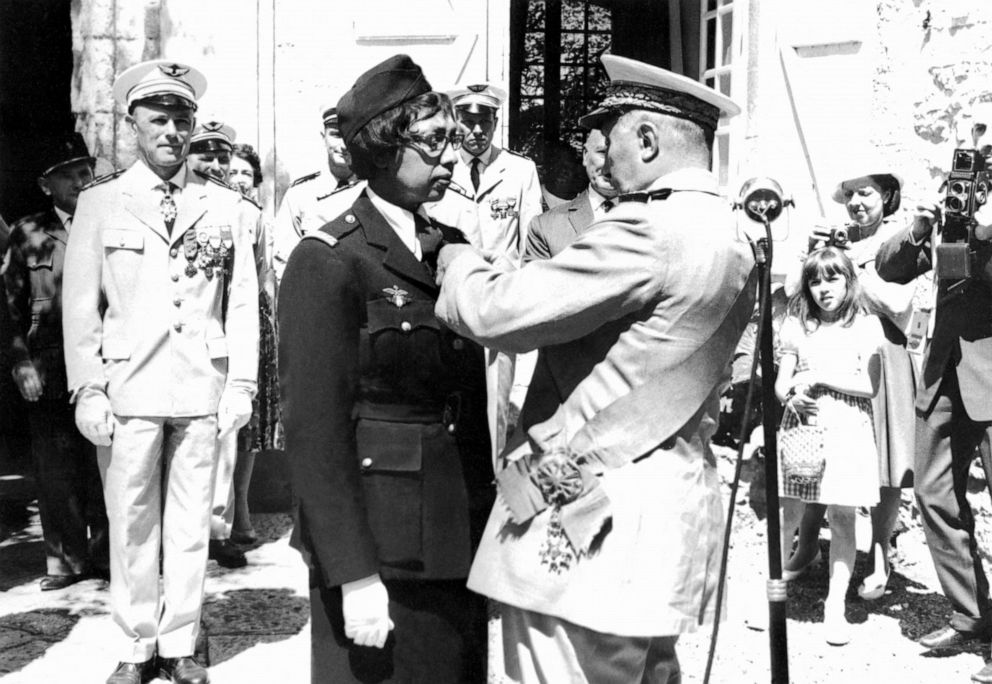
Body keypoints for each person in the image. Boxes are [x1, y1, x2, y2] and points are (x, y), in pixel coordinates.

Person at [434, 54, 754, 682]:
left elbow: (504, 313)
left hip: (595, 507)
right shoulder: (733, 232)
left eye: (615, 138)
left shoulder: (647, 228)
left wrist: (460, 260)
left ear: (648, 138)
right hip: (672, 500)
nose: (603, 159)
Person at [277, 54, 493, 683]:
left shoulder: (448, 248)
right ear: (379, 149)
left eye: (450, 138)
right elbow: (315, 434)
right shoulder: (329, 261)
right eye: (431, 142)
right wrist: (353, 571)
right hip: (383, 547)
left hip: (455, 536)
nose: (450, 156)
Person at [62, 59, 260, 684]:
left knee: (191, 523)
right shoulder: (101, 202)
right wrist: (87, 387)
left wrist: (242, 383)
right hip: (129, 390)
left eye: (182, 118)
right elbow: (80, 308)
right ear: (134, 125)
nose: (172, 130)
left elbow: (243, 303)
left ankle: (180, 642)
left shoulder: (224, 207)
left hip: (201, 387)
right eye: (158, 119)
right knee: (130, 524)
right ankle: (135, 643)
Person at [875, 103, 992, 682]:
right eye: (968, 144)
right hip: (944, 369)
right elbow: (891, 267)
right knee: (933, 491)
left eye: (982, 143)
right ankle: (970, 613)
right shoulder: (956, 210)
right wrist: (924, 226)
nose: (973, 152)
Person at [782, 169, 918, 602]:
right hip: (830, 353)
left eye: (868, 193)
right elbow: (791, 291)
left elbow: (900, 305)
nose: (858, 202)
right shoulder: (835, 239)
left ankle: (880, 556)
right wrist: (812, 250)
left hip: (884, 358)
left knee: (885, 462)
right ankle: (806, 549)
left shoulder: (904, 240)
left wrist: (855, 267)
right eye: (851, 195)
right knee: (823, 445)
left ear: (887, 196)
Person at [3, 132, 109, 591]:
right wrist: (19, 362)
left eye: (86, 171)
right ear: (47, 185)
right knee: (55, 464)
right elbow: (7, 306)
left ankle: (109, 556)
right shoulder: (29, 234)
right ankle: (66, 561)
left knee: (108, 460)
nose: (82, 181)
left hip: (106, 362)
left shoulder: (111, 223)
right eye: (69, 175)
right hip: (49, 365)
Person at [776, 247, 883, 645]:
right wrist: (790, 395)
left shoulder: (864, 326)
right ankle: (772, 593)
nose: (824, 289)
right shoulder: (798, 326)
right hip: (804, 424)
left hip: (848, 426)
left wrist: (819, 374)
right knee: (789, 513)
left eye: (832, 279)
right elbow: (781, 382)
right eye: (815, 281)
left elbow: (869, 387)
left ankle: (834, 604)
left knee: (842, 517)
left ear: (848, 282)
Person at [272, 104, 363, 281]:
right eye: (336, 135)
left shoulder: (373, 189)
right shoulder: (300, 194)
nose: (343, 145)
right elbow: (284, 259)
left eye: (350, 137)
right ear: (324, 137)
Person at [522, 127, 617, 263]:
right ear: (585, 156)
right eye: (602, 152)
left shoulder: (652, 216)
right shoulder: (545, 227)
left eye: (618, 154)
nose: (608, 163)